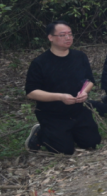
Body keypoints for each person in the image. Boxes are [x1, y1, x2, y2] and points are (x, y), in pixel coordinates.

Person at [24, 21, 101, 155]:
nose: (68, 38)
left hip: (77, 111)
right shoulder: (40, 62)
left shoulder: (79, 56)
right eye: (62, 35)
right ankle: (42, 132)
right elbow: (31, 92)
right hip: (52, 113)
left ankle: (69, 133)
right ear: (50, 37)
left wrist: (84, 92)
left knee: (92, 142)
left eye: (70, 34)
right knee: (64, 150)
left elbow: (89, 80)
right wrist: (60, 97)